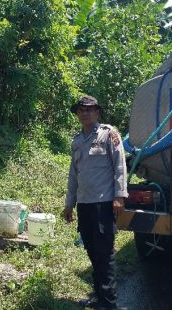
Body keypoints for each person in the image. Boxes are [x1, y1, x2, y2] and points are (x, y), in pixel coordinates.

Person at [63, 96, 128, 310]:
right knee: (92, 252)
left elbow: (120, 165)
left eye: (89, 109)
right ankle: (99, 296)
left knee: (105, 255)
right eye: (81, 110)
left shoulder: (109, 134)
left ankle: (109, 304)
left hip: (103, 204)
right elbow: (74, 174)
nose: (84, 113)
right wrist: (69, 203)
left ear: (97, 112)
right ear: (77, 114)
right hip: (84, 205)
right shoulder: (77, 141)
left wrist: (119, 196)